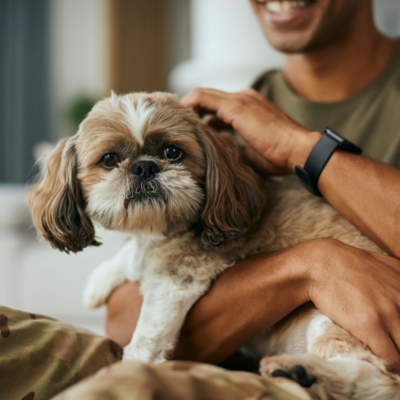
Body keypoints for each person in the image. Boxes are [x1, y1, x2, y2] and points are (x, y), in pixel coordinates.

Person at [106, 0, 400, 374]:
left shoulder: (254, 120)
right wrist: (312, 268)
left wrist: (301, 147)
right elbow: (123, 325)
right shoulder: (233, 118)